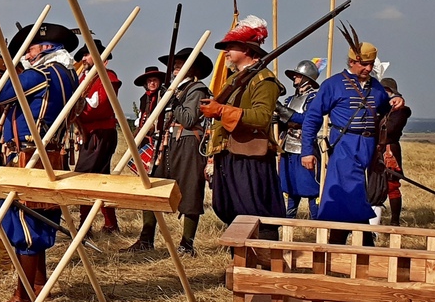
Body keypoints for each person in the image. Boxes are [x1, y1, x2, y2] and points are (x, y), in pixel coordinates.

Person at [0, 21, 78, 302]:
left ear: (46, 48)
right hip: (47, 156)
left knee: (25, 227)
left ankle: (22, 299)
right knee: (38, 221)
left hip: (28, 157)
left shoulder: (42, 73)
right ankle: (39, 284)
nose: (27, 54)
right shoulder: (67, 74)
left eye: (31, 48)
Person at [300, 30, 397, 243]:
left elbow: (384, 103)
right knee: (350, 192)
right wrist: (307, 151)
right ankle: (363, 244)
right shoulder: (333, 84)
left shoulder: (375, 86)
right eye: (364, 64)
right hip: (345, 144)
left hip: (370, 147)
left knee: (358, 194)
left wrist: (397, 99)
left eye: (371, 64)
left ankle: (342, 244)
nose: (368, 69)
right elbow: (312, 118)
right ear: (352, 62)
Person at [200, 16, 286, 241]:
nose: (226, 52)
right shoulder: (233, 80)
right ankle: (239, 262)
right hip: (230, 152)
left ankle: (262, 266)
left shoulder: (263, 80)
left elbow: (261, 118)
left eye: (231, 46)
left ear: (248, 50)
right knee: (228, 208)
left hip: (250, 155)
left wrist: (220, 111)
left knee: (256, 212)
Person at [126, 48, 213, 255]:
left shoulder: (196, 89)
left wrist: (172, 99)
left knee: (190, 192)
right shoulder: (172, 89)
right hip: (167, 144)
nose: (175, 68)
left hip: (188, 145)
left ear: (193, 68)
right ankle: (146, 238)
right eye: (175, 64)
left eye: (181, 64)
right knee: (152, 187)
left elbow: (188, 119)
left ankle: (186, 244)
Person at [73, 39, 121, 234]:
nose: (84, 58)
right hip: (91, 134)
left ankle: (85, 226)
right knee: (101, 179)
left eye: (88, 54)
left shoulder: (107, 77)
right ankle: (110, 224)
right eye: (83, 55)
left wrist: (75, 109)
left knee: (85, 178)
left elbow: (96, 108)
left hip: (100, 133)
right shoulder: (84, 78)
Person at [276, 60, 321, 219]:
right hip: (288, 148)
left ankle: (317, 226)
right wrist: (278, 118)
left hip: (306, 148)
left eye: (298, 75)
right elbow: (286, 122)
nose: (294, 77)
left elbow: (308, 120)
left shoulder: (315, 98)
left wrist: (282, 111)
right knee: (290, 188)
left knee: (311, 189)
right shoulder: (289, 100)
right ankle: (288, 224)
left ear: (307, 77)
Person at [379, 78, 411, 226]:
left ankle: (395, 221)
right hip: (375, 150)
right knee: (375, 187)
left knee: (392, 185)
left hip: (389, 150)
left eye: (387, 91)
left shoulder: (400, 112)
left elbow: (390, 131)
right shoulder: (380, 109)